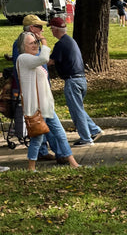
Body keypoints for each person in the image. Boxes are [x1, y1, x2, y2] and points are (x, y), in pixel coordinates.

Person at [16, 32, 79, 171]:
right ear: (23, 46)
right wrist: (44, 41)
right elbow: (44, 58)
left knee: (61, 133)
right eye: (31, 43)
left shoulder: (33, 60)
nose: (35, 45)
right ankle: (31, 167)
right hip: (36, 108)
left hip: (47, 107)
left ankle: (73, 162)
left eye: (35, 42)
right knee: (37, 139)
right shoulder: (23, 59)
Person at [48, 16, 103, 146]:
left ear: (55, 30)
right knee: (79, 108)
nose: (51, 32)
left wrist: (34, 59)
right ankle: (94, 129)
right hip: (81, 80)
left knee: (76, 111)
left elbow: (50, 62)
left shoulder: (60, 44)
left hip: (72, 81)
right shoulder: (71, 41)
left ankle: (86, 139)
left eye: (51, 29)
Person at [12, 15, 56, 161]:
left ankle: (53, 152)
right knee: (41, 126)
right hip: (34, 94)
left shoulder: (31, 43)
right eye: (39, 27)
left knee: (46, 126)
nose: (42, 29)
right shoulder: (22, 44)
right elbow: (30, 66)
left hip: (41, 90)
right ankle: (48, 153)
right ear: (32, 28)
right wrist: (43, 42)